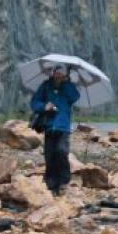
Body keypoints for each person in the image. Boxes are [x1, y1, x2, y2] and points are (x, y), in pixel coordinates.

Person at [30, 63, 80, 194]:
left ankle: (64, 181)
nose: (58, 75)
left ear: (65, 74)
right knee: (50, 155)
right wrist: (44, 106)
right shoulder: (46, 86)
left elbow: (74, 97)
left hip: (63, 127)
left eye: (61, 73)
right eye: (56, 72)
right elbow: (34, 102)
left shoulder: (69, 87)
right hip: (49, 125)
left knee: (61, 151)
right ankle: (51, 185)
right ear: (53, 72)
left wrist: (66, 83)